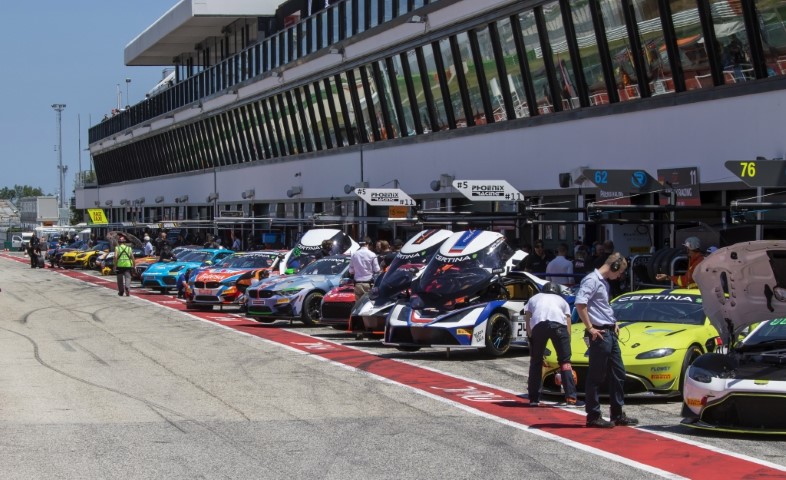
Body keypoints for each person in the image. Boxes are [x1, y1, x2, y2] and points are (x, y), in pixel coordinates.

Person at [575, 252, 638, 428]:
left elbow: (602, 306)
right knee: (596, 375)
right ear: (615, 267)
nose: (619, 276)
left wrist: (613, 322)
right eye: (619, 272)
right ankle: (593, 415)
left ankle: (617, 414)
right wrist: (590, 328)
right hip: (600, 333)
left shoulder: (602, 282)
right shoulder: (592, 280)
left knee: (618, 372)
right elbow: (581, 304)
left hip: (609, 331)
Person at [523, 282, 582, 408]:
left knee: (536, 362)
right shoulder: (562, 300)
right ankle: (571, 398)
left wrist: (530, 336)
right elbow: (568, 320)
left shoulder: (534, 298)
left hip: (539, 327)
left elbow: (527, 318)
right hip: (559, 327)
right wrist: (567, 339)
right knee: (565, 363)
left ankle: (534, 399)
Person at [349, 239, 380, 306]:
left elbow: (351, 271)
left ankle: (360, 317)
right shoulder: (372, 254)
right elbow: (377, 269)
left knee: (358, 305)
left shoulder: (354, 254)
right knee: (368, 305)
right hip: (368, 284)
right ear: (368, 244)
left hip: (357, 284)